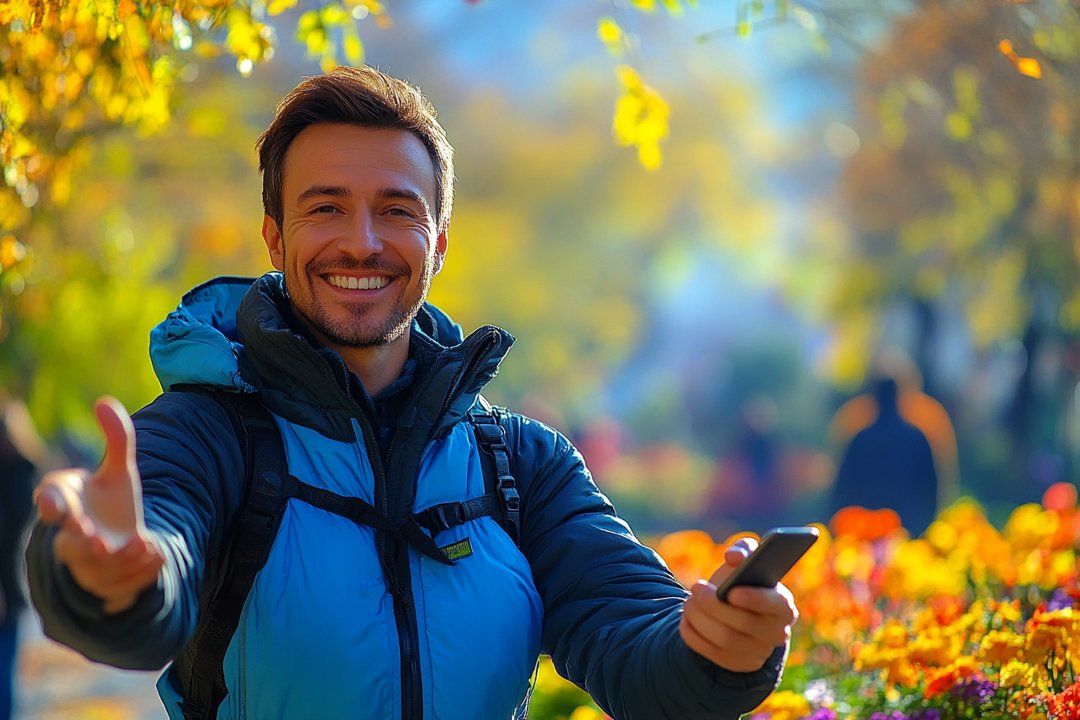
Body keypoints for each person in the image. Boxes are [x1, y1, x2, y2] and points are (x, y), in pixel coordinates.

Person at [25, 66, 797, 720]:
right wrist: (105, 576)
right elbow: (146, 580)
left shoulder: (521, 464)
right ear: (274, 237)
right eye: (325, 207)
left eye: (397, 210)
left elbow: (641, 647)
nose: (362, 240)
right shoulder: (207, 432)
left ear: (440, 239)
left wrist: (717, 649)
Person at [829, 376, 939, 536]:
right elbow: (930, 488)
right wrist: (926, 526)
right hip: (908, 533)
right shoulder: (917, 437)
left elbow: (842, 489)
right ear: (900, 396)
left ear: (874, 398)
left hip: (864, 536)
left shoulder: (861, 439)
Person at [0, 400, 44, 720]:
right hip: (13, 587)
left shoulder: (16, 476)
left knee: (4, 674)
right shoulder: (26, 474)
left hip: (7, 589)